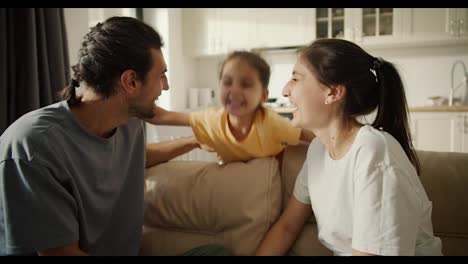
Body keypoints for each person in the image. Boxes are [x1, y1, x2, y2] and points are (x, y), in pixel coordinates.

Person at [0, 16, 228, 256]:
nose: (166, 86)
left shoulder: (129, 123)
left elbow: (123, 157)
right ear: (130, 81)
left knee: (217, 253)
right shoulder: (33, 148)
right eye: (161, 75)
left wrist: (194, 141)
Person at [255, 39, 443, 256]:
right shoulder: (318, 150)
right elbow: (287, 226)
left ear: (333, 93)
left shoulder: (373, 152)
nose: (286, 90)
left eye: (296, 78)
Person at [146, 51, 315, 164]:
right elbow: (161, 117)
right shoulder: (212, 119)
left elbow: (307, 135)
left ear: (263, 95)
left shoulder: (271, 123)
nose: (234, 91)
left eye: (246, 84)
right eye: (227, 82)